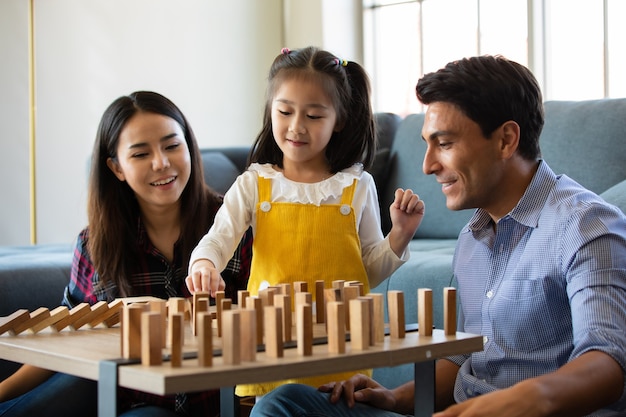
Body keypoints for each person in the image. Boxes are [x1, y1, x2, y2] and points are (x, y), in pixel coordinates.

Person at [248, 55, 626, 417]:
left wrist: (517, 403)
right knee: (286, 402)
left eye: (443, 144)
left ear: (506, 140)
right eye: (427, 144)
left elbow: (609, 364)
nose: (428, 165)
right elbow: (466, 360)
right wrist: (394, 399)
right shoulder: (474, 237)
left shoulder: (585, 226)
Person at [185, 46, 425, 398]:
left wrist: (400, 235)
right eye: (284, 111)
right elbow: (218, 238)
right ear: (271, 111)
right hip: (269, 342)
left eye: (314, 116)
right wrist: (205, 264)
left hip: (340, 345)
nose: (296, 127)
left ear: (339, 120)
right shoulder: (255, 183)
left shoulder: (355, 186)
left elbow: (365, 273)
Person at [0, 91, 252, 417]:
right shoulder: (96, 245)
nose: (161, 163)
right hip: (132, 401)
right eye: (140, 154)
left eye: (172, 146)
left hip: (214, 402)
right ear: (116, 168)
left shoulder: (234, 225)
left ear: (189, 148)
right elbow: (68, 338)